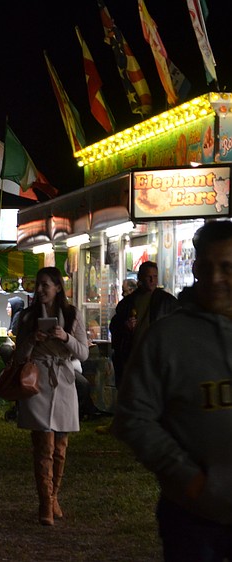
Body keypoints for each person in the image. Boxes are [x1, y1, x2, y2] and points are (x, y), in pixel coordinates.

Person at [113, 220, 232, 560]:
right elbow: (133, 418)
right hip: (194, 517)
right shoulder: (167, 338)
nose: (218, 278)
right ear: (194, 268)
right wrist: (189, 478)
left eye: (228, 267)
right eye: (208, 267)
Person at [13, 267, 89, 526]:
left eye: (46, 284)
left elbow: (83, 353)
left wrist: (65, 336)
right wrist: (33, 340)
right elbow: (18, 356)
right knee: (43, 445)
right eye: (38, 285)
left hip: (64, 382)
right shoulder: (27, 317)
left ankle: (54, 496)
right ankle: (45, 502)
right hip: (37, 382)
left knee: (60, 447)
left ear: (58, 287)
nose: (41, 289)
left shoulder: (71, 315)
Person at [109, 261, 179, 388]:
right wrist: (125, 326)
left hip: (157, 359)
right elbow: (115, 328)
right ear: (140, 278)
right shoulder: (128, 303)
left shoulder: (167, 302)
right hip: (134, 358)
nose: (152, 280)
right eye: (149, 276)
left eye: (155, 276)